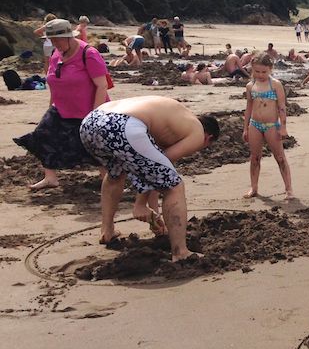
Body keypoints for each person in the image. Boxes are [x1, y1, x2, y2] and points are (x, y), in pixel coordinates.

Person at [79, 96, 219, 255]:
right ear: (208, 138)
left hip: (92, 122)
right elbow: (160, 170)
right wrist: (140, 204)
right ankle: (180, 252)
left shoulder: (175, 119)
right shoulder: (197, 132)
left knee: (115, 174)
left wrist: (153, 215)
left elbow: (152, 172)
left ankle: (107, 231)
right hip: (122, 125)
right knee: (174, 186)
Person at [14, 18, 110, 190]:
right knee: (43, 136)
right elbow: (54, 82)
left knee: (95, 146)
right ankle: (50, 178)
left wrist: (95, 115)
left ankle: (108, 180)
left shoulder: (88, 53)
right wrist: (50, 107)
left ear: (68, 37)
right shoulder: (56, 54)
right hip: (61, 108)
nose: (54, 43)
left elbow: (102, 85)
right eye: (51, 40)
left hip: (88, 110)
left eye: (57, 40)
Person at [242, 53, 294, 199]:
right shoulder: (250, 86)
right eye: (257, 71)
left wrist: (283, 127)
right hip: (255, 125)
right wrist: (245, 128)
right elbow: (248, 107)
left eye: (264, 72)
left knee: (280, 157)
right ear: (252, 69)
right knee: (255, 157)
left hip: (272, 125)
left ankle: (288, 189)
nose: (260, 75)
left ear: (270, 69)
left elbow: (282, 107)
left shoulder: (275, 85)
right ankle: (254, 187)